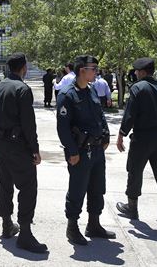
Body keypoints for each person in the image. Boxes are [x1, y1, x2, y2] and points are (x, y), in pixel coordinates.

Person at [56, 55, 115, 246]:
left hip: (97, 150)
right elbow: (63, 128)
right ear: (82, 70)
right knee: (77, 189)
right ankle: (72, 227)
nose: (96, 72)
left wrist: (106, 136)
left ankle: (94, 224)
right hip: (80, 152)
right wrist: (72, 151)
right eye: (93, 68)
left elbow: (100, 115)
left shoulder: (91, 90)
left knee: (98, 188)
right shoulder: (67, 94)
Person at [0, 53, 48, 253]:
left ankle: (7, 224)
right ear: (23, 67)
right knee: (27, 187)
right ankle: (24, 233)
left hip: (1, 144)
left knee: (5, 184)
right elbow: (28, 124)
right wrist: (35, 149)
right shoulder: (22, 89)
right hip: (17, 146)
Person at [116, 57, 157, 235]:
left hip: (143, 138)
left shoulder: (138, 88)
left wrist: (121, 134)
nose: (135, 73)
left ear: (142, 72)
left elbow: (130, 114)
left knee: (135, 171)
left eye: (136, 71)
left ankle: (132, 208)